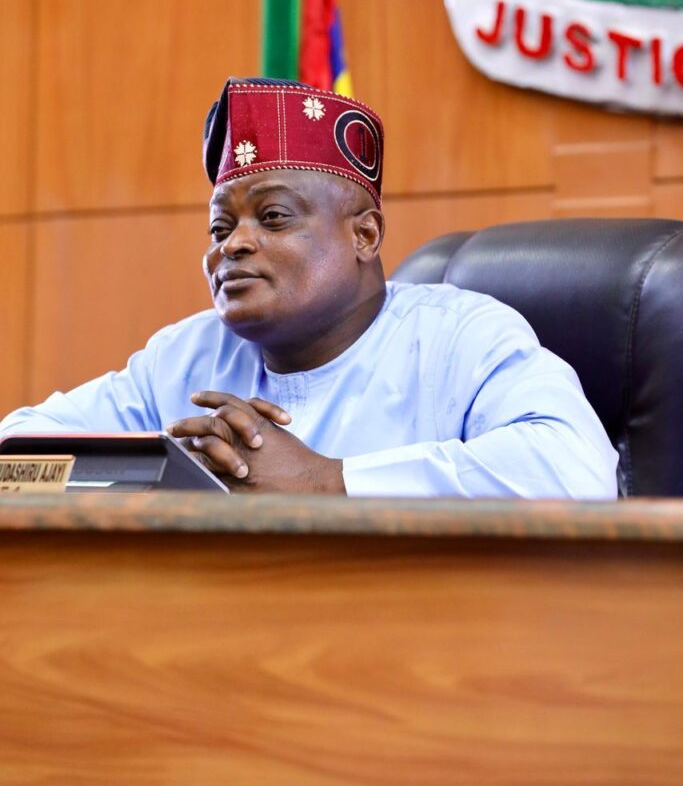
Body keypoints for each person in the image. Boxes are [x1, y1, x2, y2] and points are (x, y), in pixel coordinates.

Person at [0, 77, 618, 498]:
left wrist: (326, 481)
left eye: (273, 218)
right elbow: (14, 460)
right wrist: (166, 472)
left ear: (365, 235)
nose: (231, 246)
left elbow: (575, 469)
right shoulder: (185, 356)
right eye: (220, 227)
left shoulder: (460, 336)